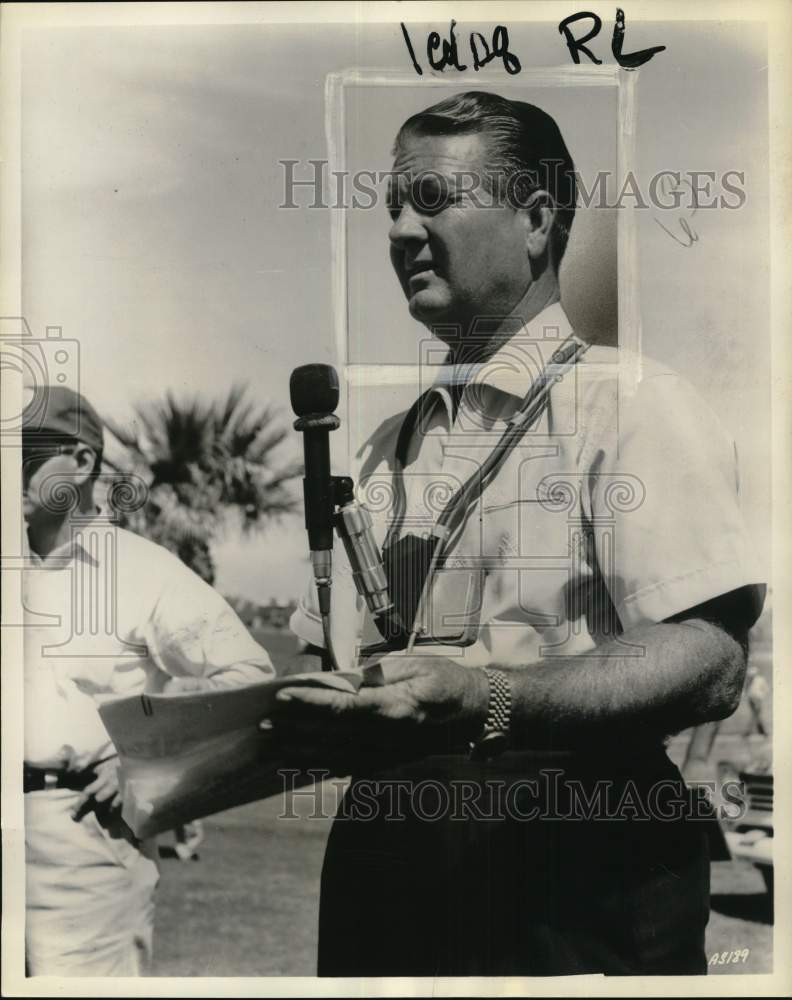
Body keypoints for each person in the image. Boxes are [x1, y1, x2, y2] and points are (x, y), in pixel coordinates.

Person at [281, 92, 765, 976]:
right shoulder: (384, 443)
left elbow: (709, 657)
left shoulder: (631, 404)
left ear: (537, 218)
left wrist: (488, 697)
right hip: (385, 858)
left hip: (575, 863)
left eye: (431, 200)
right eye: (391, 203)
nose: (397, 230)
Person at [21, 384, 275, 976]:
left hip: (78, 835)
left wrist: (147, 756)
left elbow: (247, 677)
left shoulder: (141, 570)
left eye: (21, 457)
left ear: (81, 463)